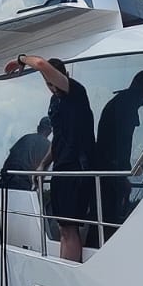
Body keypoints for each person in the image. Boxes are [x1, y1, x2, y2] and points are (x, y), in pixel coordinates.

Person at [7, 56, 96, 261]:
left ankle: (69, 275)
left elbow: (40, 65)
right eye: (48, 84)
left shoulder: (75, 91)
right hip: (61, 167)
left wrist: (21, 59)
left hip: (76, 168)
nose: (52, 88)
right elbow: (59, 139)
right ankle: (65, 269)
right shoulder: (55, 101)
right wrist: (43, 165)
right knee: (62, 226)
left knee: (69, 227)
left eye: (53, 82)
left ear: (64, 76)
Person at [95, 70, 143, 235]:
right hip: (110, 169)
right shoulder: (127, 100)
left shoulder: (120, 102)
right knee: (109, 220)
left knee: (106, 220)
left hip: (108, 169)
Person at [1, 115, 51, 180]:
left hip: (6, 178)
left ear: (38, 128)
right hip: (24, 183)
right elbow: (42, 171)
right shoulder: (49, 147)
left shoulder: (25, 138)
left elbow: (10, 156)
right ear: (50, 131)